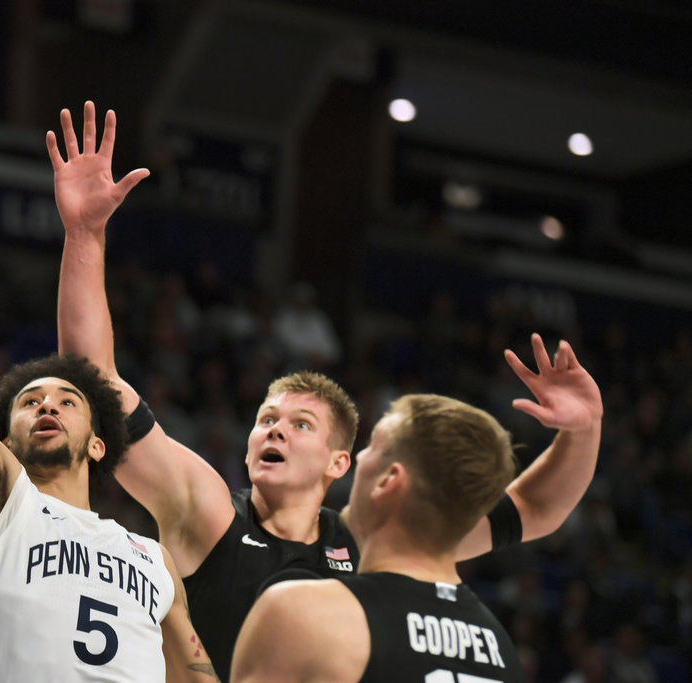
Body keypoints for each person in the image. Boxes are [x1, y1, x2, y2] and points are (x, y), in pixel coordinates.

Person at [51, 101, 603, 678]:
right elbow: (93, 384)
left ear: (340, 462)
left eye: (300, 425)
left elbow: (534, 509)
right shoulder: (212, 514)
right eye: (267, 419)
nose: (275, 430)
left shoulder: (380, 536)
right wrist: (85, 235)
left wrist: (584, 429)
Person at [0, 68, 218, 682]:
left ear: (99, 442)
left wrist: (86, 232)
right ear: (4, 440)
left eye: (66, 400)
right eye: (28, 402)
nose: (45, 405)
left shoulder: (153, 559)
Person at [230, 393, 526, 682]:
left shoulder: (301, 613)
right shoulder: (502, 649)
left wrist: (180, 621)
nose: (359, 455)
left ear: (388, 480)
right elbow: (533, 507)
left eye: (373, 446)